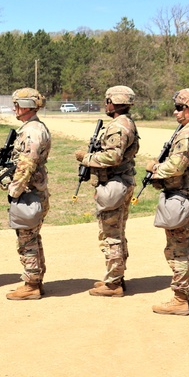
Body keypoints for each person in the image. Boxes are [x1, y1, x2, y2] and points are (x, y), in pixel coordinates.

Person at [145, 88, 189, 315]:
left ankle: (180, 298)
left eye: (180, 108)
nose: (175, 112)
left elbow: (176, 166)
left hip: (183, 197)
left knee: (178, 247)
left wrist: (154, 169)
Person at [74, 85, 140, 298]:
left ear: (113, 102)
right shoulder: (126, 123)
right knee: (117, 231)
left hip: (114, 183)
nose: (105, 104)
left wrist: (86, 158)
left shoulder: (118, 126)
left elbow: (113, 157)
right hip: (121, 182)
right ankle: (116, 276)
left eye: (107, 100)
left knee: (111, 234)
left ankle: (113, 284)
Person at [5, 88, 51, 301]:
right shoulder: (33, 127)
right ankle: (35, 280)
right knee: (32, 237)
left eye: (17, 104)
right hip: (34, 191)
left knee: (26, 240)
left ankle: (31, 284)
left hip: (29, 193)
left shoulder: (32, 131)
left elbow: (27, 163)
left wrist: (14, 190)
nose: (14, 108)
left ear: (25, 106)